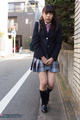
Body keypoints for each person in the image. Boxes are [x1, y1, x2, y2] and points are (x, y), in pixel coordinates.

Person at [30, 4, 62, 113]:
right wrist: (42, 57)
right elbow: (35, 42)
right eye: (46, 13)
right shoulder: (38, 24)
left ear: (53, 15)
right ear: (43, 14)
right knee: (43, 83)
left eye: (50, 13)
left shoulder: (57, 26)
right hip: (40, 58)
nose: (48, 16)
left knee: (51, 84)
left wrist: (53, 58)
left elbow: (58, 43)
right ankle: (44, 103)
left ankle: (46, 94)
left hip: (52, 59)